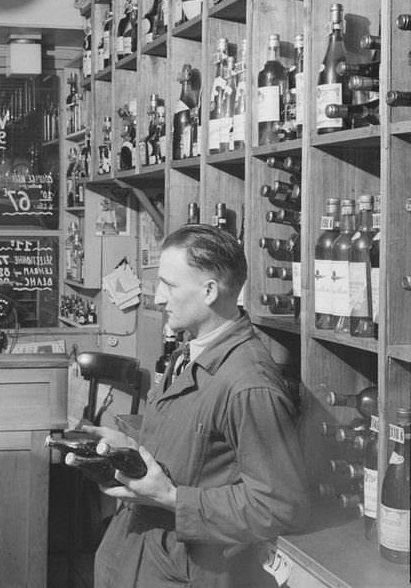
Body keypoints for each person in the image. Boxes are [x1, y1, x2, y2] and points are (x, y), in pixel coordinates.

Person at [71, 223, 309, 588]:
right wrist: (128, 448)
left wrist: (171, 498)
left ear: (210, 291)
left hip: (185, 571)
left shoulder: (249, 385)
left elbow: (278, 506)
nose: (159, 298)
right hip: (138, 556)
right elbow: (194, 458)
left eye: (169, 285)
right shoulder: (190, 354)